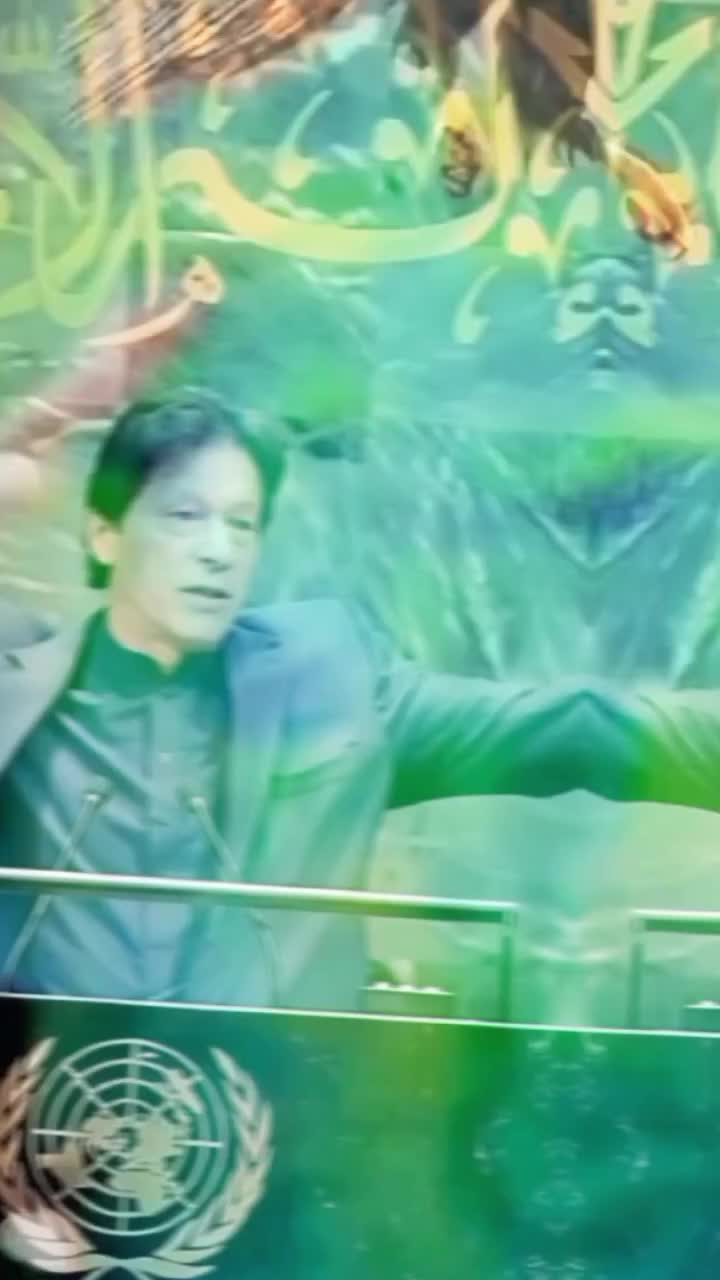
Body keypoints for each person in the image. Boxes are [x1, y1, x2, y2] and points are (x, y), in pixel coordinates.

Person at [0, 386, 602, 1012]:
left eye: (242, 524)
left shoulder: (329, 684)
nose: (219, 552)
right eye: (185, 516)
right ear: (105, 534)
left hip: (261, 1065)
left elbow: (546, 727)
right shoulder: (18, 691)